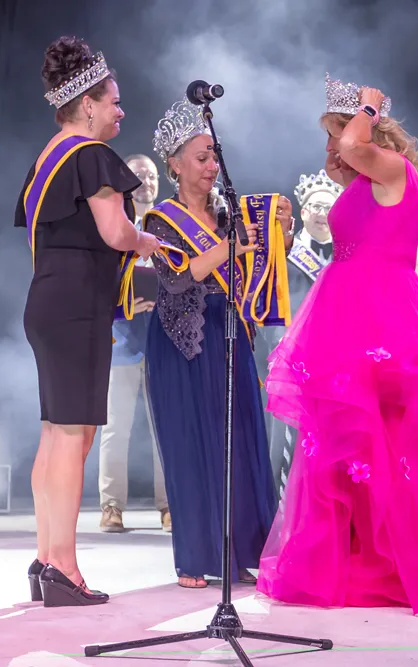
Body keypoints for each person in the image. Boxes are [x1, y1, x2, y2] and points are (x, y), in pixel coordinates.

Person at [257, 75, 418, 614]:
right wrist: (343, 164)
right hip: (346, 317)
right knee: (343, 441)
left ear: (364, 130)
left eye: (335, 134)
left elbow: (356, 146)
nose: (332, 147)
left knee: (389, 440)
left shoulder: (396, 170)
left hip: (382, 319)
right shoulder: (365, 181)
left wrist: (368, 108)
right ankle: (352, 558)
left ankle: (398, 563)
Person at [17, 36, 160, 606]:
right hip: (77, 306)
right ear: (87, 105)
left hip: (48, 300)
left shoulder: (45, 159)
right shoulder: (92, 156)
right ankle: (65, 569)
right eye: (113, 102)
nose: (120, 111)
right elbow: (116, 233)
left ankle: (45, 560)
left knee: (56, 434)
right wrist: (147, 241)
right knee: (73, 436)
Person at [143, 98, 291, 589]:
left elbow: (258, 268)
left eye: (215, 158)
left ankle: (240, 551)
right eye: (202, 157)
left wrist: (280, 232)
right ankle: (193, 557)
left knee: (239, 444)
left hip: (230, 333)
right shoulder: (160, 220)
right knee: (192, 444)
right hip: (183, 340)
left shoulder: (229, 214)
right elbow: (177, 278)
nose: (211, 167)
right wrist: (229, 247)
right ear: (175, 164)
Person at [98, 153, 170, 533]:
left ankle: (169, 505)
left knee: (165, 427)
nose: (147, 181)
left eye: (153, 175)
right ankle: (111, 506)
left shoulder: (170, 224)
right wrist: (122, 304)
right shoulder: (115, 224)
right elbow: (99, 279)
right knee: (115, 426)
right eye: (139, 175)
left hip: (162, 336)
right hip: (122, 338)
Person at [265, 169, 343, 499]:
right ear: (303, 211)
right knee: (289, 440)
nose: (323, 214)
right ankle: (285, 512)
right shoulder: (285, 255)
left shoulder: (348, 256)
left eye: (330, 207)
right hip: (298, 361)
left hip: (340, 363)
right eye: (316, 207)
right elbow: (270, 309)